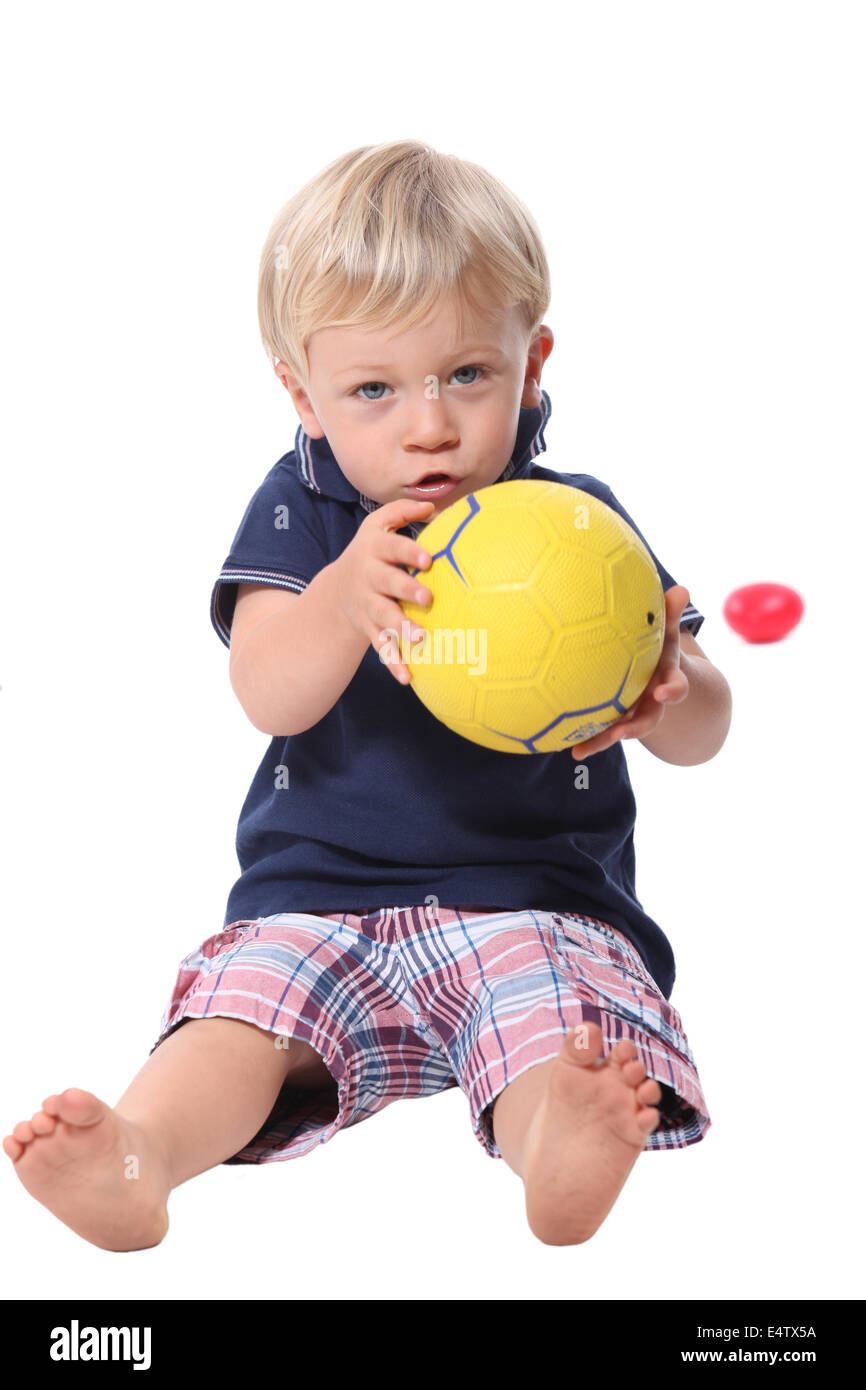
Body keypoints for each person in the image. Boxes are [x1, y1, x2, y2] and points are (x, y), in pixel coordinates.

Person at [4, 140, 732, 1251]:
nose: (427, 424)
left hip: (527, 898)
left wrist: (669, 689)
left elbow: (706, 726)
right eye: (374, 390)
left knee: (553, 1019)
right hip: (321, 900)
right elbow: (267, 692)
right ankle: (138, 1153)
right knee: (248, 1004)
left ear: (530, 363)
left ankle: (558, 1143)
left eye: (466, 375)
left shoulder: (575, 527)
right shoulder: (304, 514)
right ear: (303, 394)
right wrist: (343, 597)